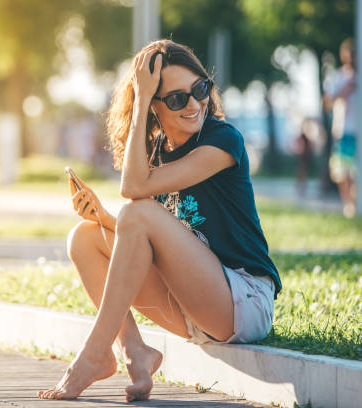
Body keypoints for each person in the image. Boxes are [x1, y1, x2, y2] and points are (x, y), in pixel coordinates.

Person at [38, 40, 282, 402]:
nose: (195, 104)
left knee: (135, 211)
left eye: (200, 89)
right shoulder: (155, 153)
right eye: (176, 98)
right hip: (193, 303)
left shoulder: (222, 140)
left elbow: (134, 190)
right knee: (84, 238)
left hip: (242, 300)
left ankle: (94, 353)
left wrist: (142, 100)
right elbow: (145, 234)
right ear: (153, 106)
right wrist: (102, 217)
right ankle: (136, 353)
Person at [323, 38, 357, 217]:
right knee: (341, 171)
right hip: (343, 130)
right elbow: (328, 101)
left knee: (355, 171)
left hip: (357, 130)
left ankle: (355, 203)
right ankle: (349, 206)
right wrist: (343, 91)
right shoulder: (340, 76)